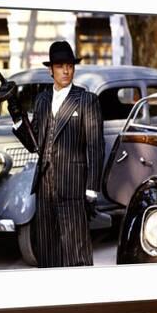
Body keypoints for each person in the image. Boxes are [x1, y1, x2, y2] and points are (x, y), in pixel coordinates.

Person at [9, 40, 104, 267]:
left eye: (70, 65)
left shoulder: (86, 100)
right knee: (48, 254)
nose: (66, 70)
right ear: (50, 69)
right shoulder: (42, 100)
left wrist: (91, 191)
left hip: (73, 186)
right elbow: (34, 145)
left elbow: (95, 146)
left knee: (76, 253)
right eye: (60, 66)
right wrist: (15, 113)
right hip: (44, 189)